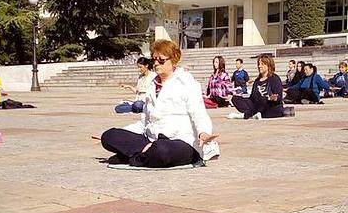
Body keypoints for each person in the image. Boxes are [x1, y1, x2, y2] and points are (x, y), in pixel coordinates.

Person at [99, 39, 220, 167]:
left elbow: (198, 113)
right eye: (154, 60)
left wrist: (203, 132)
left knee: (161, 150)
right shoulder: (152, 85)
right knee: (109, 136)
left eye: (161, 60)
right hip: (151, 139)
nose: (156, 63)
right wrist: (123, 133)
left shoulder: (187, 83)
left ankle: (134, 157)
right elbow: (144, 123)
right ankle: (144, 155)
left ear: (174, 61)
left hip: (180, 141)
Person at [230, 54, 293, 119]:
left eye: (262, 64)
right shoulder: (257, 81)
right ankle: (253, 114)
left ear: (269, 65)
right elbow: (252, 98)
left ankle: (245, 115)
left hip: (270, 107)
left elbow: (278, 99)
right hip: (257, 105)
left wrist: (273, 98)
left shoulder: (275, 78)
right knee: (235, 99)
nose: (259, 66)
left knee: (263, 99)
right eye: (259, 64)